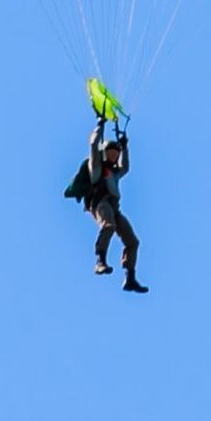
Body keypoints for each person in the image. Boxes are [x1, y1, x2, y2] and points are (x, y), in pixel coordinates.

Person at [85, 116, 147, 293]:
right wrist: (100, 125)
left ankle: (130, 278)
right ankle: (100, 261)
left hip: (114, 207)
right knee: (109, 225)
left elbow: (125, 168)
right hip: (101, 204)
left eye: (116, 153)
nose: (114, 155)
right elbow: (93, 145)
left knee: (132, 241)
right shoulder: (97, 168)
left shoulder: (115, 172)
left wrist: (125, 147)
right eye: (111, 152)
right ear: (105, 153)